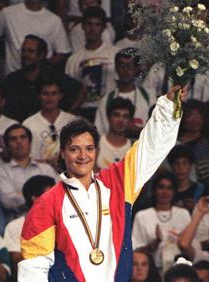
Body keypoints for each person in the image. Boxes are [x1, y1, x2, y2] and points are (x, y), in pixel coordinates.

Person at [19, 86, 185, 281]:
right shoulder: (47, 203)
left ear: (96, 151)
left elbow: (149, 150)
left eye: (89, 148)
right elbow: (34, 266)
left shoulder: (117, 183)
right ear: (62, 153)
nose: (83, 156)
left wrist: (167, 107)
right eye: (74, 149)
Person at [1, 35, 81, 122]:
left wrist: (71, 112)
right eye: (23, 51)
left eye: (30, 51)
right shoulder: (11, 80)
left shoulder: (54, 76)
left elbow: (81, 90)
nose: (25, 54)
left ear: (41, 55)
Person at [65, 6, 119, 121]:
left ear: (104, 28)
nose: (92, 28)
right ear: (83, 27)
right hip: (84, 112)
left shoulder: (114, 54)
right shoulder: (73, 60)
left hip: (110, 110)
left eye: (97, 24)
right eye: (89, 24)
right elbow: (70, 93)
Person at [0, 0, 70, 77]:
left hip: (41, 79)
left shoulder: (54, 20)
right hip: (11, 76)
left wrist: (40, 63)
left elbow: (62, 53)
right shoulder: (7, 13)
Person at [0, 124, 57, 220]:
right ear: (7, 146)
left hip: (48, 224)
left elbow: (55, 196)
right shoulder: (2, 172)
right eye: (13, 139)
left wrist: (20, 195)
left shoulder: (45, 169)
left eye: (23, 137)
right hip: (18, 228)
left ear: (30, 143)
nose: (19, 142)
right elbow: (8, 202)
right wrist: (42, 196)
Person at [132, 172, 191, 273]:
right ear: (155, 190)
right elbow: (136, 251)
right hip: (151, 272)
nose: (165, 192)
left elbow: (190, 247)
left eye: (169, 188)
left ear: (174, 191)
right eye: (161, 187)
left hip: (180, 272)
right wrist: (155, 242)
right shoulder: (142, 216)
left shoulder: (183, 214)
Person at [4, 175, 55, 281]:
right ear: (35, 199)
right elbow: (18, 266)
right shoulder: (14, 227)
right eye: (51, 196)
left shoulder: (62, 223)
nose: (55, 200)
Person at [94, 47, 152, 137]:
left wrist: (137, 130)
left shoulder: (149, 96)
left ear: (137, 69)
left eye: (130, 66)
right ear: (116, 68)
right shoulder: (106, 100)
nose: (125, 70)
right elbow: (100, 132)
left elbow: (157, 130)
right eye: (121, 65)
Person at [22, 79, 77, 166]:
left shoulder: (73, 122)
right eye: (45, 93)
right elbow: (23, 156)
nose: (49, 98)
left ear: (60, 96)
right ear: (39, 96)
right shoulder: (28, 124)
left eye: (54, 93)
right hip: (38, 173)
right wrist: (47, 163)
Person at [96, 97, 133, 170]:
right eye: (116, 115)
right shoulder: (96, 144)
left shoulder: (133, 148)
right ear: (108, 117)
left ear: (129, 120)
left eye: (125, 116)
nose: (120, 120)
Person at [167, 145, 206, 213]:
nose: (181, 168)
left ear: (190, 166)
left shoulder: (201, 190)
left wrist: (196, 208)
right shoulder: (165, 189)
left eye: (184, 163)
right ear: (171, 166)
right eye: (177, 163)